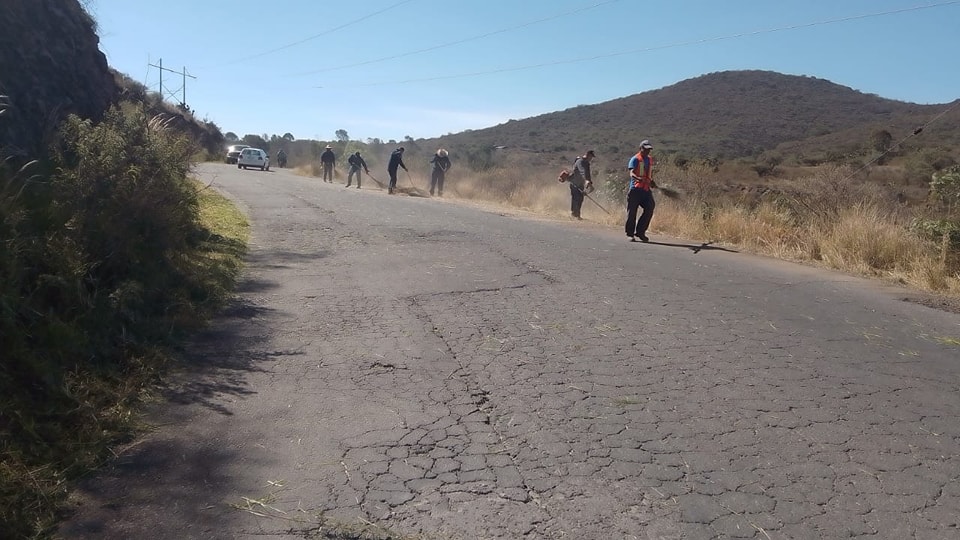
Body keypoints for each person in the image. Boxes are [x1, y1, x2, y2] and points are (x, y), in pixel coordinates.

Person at [625, 140, 658, 242]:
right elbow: (631, 173)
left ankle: (640, 232)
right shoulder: (635, 159)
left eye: (649, 150)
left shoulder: (649, 160)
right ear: (641, 149)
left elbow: (647, 174)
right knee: (632, 213)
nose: (647, 151)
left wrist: (652, 182)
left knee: (650, 207)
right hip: (635, 190)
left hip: (646, 190)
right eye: (645, 149)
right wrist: (637, 178)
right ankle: (630, 234)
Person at [566, 150, 595, 219]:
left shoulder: (586, 163)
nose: (591, 159)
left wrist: (589, 183)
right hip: (574, 183)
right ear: (587, 155)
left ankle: (577, 215)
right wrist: (587, 181)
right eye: (591, 157)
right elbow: (583, 172)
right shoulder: (580, 161)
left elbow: (587, 174)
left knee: (580, 199)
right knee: (576, 198)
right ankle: (574, 214)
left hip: (580, 184)